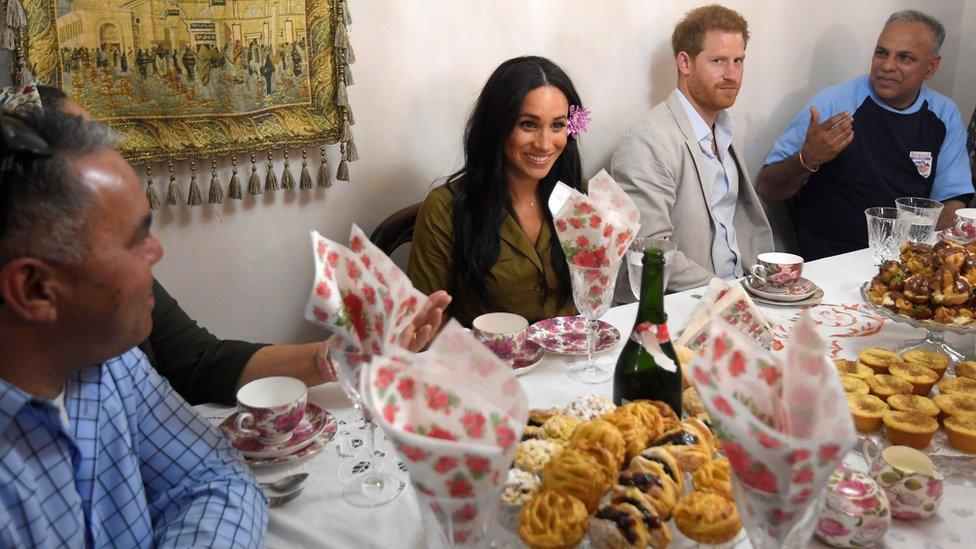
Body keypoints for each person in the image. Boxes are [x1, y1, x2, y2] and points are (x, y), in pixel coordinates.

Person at [27, 85, 451, 405]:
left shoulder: (122, 318)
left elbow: (201, 363)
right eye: (84, 149)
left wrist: (348, 353)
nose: (155, 251)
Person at [0, 100, 267, 546]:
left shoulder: (109, 362)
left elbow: (214, 476)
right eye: (135, 240)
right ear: (34, 289)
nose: (156, 252)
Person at [756, 10, 974, 260]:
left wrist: (926, 261)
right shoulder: (835, 103)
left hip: (908, 261)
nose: (887, 65)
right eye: (881, 52)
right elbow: (767, 188)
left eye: (904, 57)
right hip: (832, 260)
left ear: (931, 66)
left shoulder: (944, 114)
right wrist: (808, 158)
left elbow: (951, 202)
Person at [408, 56, 584, 326]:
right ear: (497, 126)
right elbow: (422, 326)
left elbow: (596, 294)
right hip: (487, 364)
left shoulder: (580, 197)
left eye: (557, 125)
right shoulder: (445, 209)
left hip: (570, 362)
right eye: (528, 124)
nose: (545, 144)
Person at [610, 4, 772, 294]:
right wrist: (730, 294)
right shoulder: (646, 141)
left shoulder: (724, 130)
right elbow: (651, 254)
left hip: (746, 291)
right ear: (684, 63)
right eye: (718, 61)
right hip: (686, 306)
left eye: (738, 61)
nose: (732, 75)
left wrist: (765, 285)